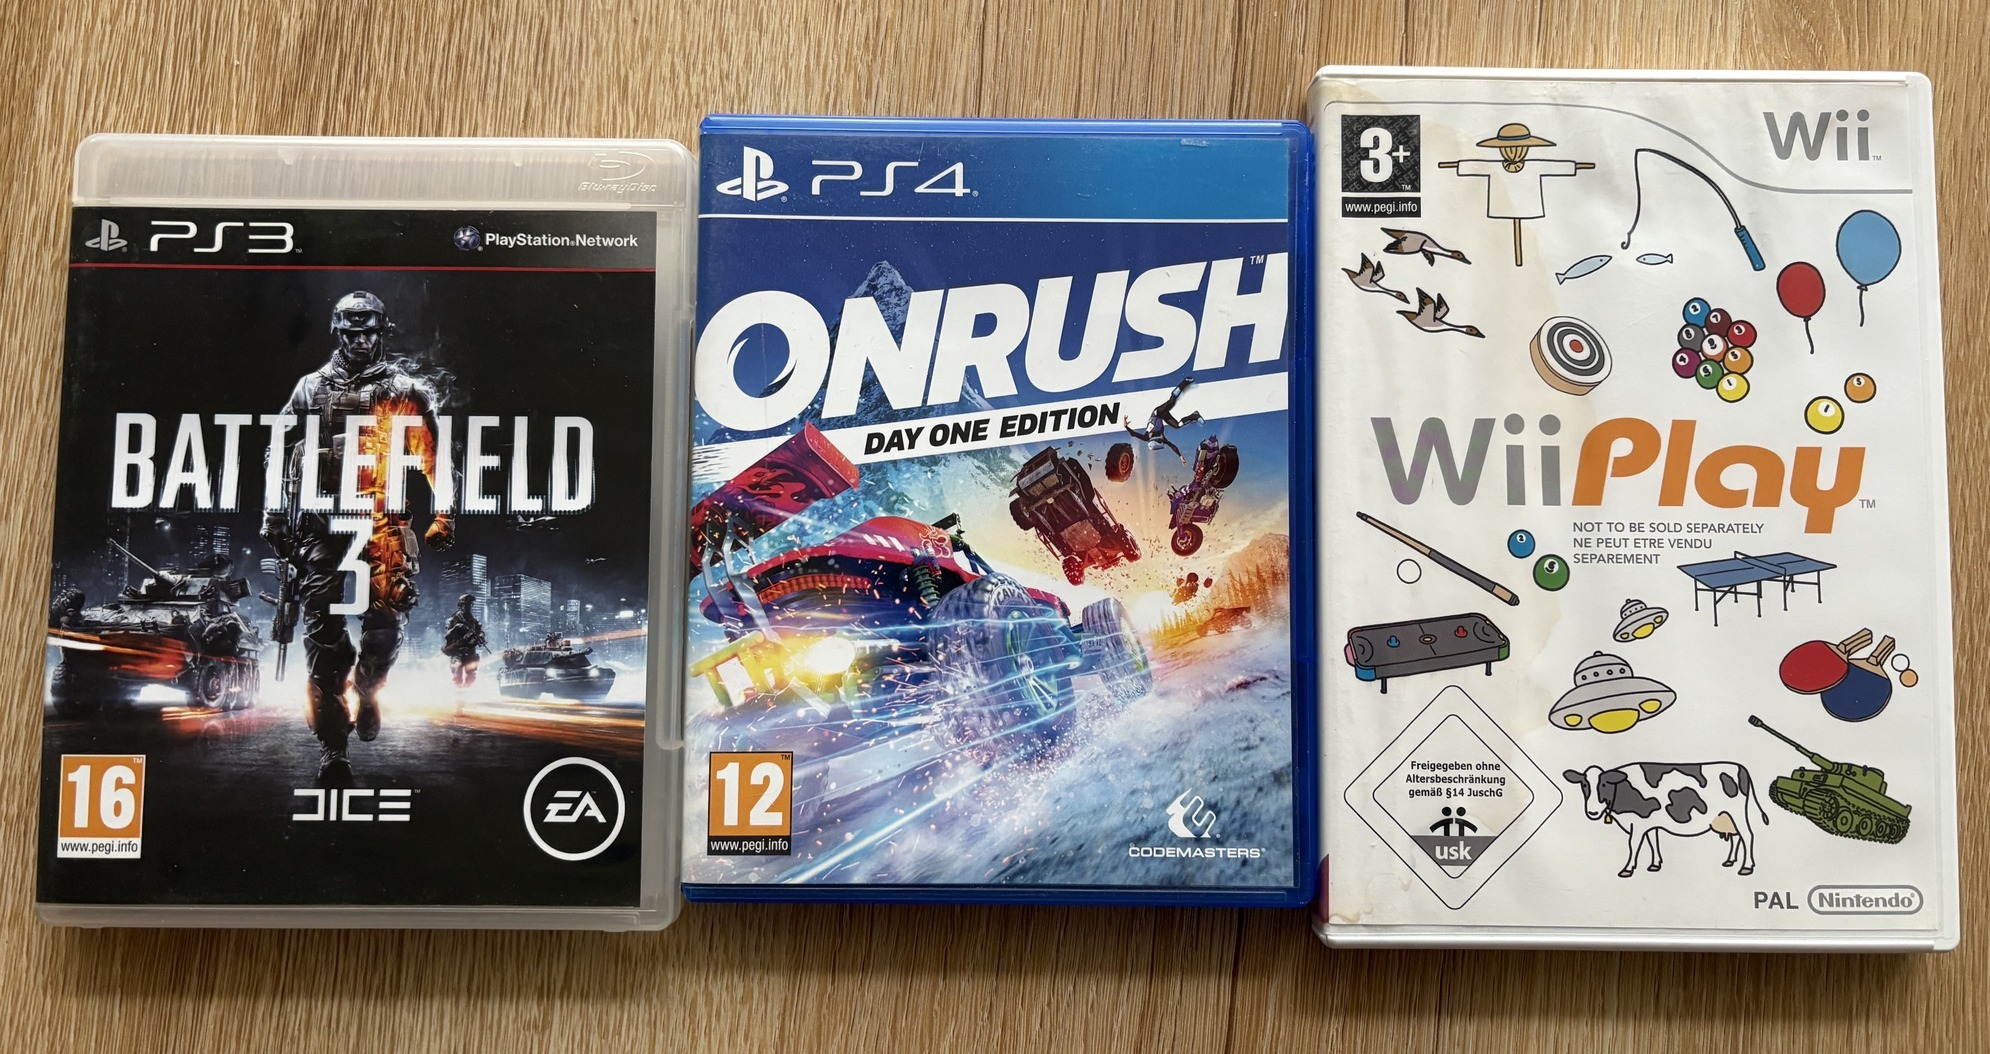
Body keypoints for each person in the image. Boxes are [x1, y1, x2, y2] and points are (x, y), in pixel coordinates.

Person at [263, 292, 453, 784]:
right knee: (321, 635)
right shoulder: (310, 388)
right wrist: (273, 515)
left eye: (368, 332)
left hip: (382, 525)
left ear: (381, 332)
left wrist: (444, 513)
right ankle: (333, 746)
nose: (360, 341)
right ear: (339, 333)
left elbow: (433, 455)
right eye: (351, 333)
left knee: (384, 628)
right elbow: (279, 448)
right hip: (321, 524)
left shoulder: (404, 389)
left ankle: (368, 690)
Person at [1124, 376, 1203, 463]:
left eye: (1160, 441)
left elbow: (1133, 434)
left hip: (1157, 413)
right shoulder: (1162, 439)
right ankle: (1194, 416)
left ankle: (1185, 382)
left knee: (1171, 402)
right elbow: (1172, 446)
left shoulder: (1147, 437)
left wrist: (1126, 426)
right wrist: (1180, 456)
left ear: (1155, 439)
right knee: (1177, 425)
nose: (1161, 440)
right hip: (1163, 416)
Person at [440, 593, 487, 687]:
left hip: (470, 651)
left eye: (469, 604)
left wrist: (481, 636)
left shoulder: (474, 620)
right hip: (457, 650)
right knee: (457, 674)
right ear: (460, 605)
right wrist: (457, 627)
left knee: (471, 676)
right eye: (465, 604)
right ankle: (458, 691)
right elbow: (447, 635)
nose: (467, 607)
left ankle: (466, 690)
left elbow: (481, 631)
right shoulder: (452, 620)